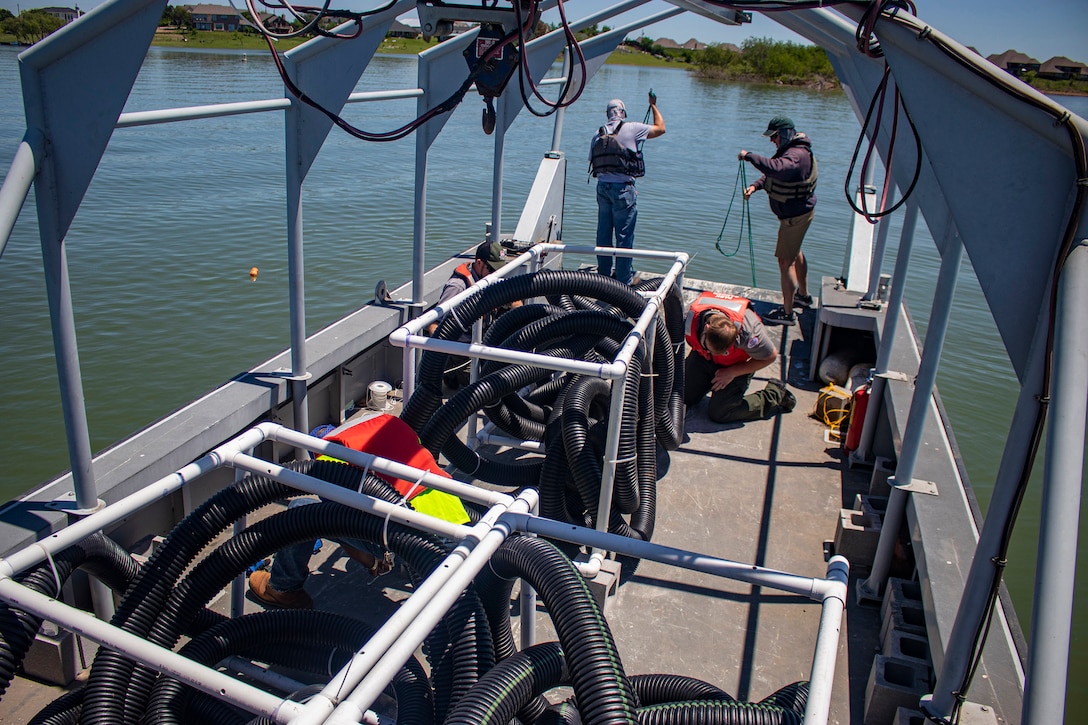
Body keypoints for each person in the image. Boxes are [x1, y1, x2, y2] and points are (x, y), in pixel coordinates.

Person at [249, 414, 470, 609]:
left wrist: (371, 562)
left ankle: (282, 588)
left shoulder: (329, 461)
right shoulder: (387, 427)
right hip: (457, 519)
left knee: (301, 512)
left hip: (415, 537)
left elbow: (342, 519)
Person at [738, 115, 817, 326]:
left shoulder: (796, 155)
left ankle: (787, 313)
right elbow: (774, 175)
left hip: (795, 218)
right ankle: (803, 295)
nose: (772, 140)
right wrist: (755, 186)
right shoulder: (790, 152)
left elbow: (777, 168)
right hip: (795, 216)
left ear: (784, 133)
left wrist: (750, 156)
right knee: (795, 253)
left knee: (785, 262)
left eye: (774, 136)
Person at [683, 291, 796, 423]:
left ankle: (776, 393)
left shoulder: (749, 331)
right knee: (678, 395)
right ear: (705, 328)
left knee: (720, 412)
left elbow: (770, 356)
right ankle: (704, 382)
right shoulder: (687, 318)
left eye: (724, 351)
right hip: (701, 358)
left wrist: (733, 372)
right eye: (709, 347)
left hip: (735, 366)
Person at [588, 93, 666, 285]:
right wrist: (653, 105)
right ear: (622, 113)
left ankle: (604, 278)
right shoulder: (631, 128)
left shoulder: (598, 133)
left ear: (608, 114)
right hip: (623, 189)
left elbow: (593, 162)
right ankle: (624, 281)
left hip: (602, 188)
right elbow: (661, 128)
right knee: (624, 236)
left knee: (603, 233)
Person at [425, 240, 515, 389]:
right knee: (486, 387)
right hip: (462, 351)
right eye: (492, 269)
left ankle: (453, 376)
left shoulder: (489, 280)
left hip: (482, 341)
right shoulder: (458, 287)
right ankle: (450, 372)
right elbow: (435, 323)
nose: (495, 274)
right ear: (479, 263)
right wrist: (441, 354)